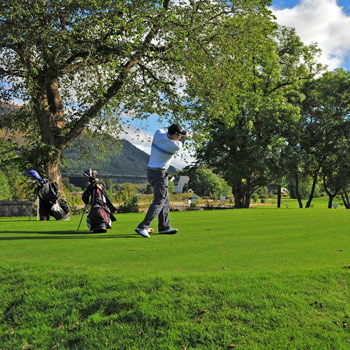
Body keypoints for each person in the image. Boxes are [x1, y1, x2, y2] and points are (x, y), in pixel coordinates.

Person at [135, 124, 186, 238]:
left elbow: (163, 131)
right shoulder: (174, 145)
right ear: (175, 135)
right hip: (159, 173)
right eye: (179, 135)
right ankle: (143, 227)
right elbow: (182, 142)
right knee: (160, 200)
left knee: (165, 199)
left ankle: (164, 227)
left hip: (151, 171)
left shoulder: (158, 134)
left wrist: (179, 132)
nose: (180, 137)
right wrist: (185, 134)